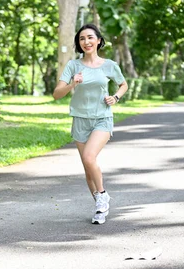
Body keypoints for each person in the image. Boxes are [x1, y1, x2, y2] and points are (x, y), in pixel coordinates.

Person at [52, 23, 128, 225]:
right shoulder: (73, 66)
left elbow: (123, 84)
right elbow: (56, 94)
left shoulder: (109, 65)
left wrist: (116, 97)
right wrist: (72, 84)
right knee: (88, 168)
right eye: (82, 38)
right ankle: (100, 208)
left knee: (88, 156)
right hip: (80, 119)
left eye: (90, 37)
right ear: (79, 43)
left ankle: (102, 194)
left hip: (102, 117)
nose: (86, 41)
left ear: (99, 40)